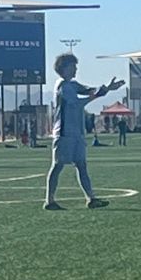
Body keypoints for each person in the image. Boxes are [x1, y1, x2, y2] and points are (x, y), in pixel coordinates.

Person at [44, 53, 124, 210]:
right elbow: (77, 103)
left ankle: (91, 198)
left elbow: (88, 90)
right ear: (65, 68)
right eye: (73, 66)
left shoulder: (72, 84)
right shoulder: (63, 86)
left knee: (81, 165)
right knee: (58, 165)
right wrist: (97, 95)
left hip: (77, 132)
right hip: (64, 133)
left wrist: (107, 88)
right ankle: (49, 200)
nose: (76, 69)